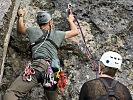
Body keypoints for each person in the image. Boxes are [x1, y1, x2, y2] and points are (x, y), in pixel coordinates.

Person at [4, 8, 78, 100]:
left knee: (11, 93)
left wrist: (21, 15)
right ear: (50, 22)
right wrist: (70, 20)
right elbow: (75, 32)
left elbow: (21, 29)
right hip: (53, 72)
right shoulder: (58, 34)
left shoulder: (33, 31)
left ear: (39, 23)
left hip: (38, 66)